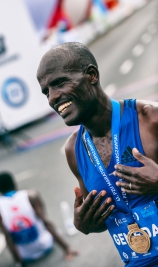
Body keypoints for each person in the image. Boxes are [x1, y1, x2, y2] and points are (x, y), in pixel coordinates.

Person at [36, 42, 158, 267]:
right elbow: (105, 215)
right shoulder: (74, 150)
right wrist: (85, 223)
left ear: (91, 75)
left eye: (59, 83)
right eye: (46, 92)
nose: (52, 98)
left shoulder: (150, 120)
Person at [0, 172, 78, 267]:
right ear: (14, 184)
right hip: (46, 246)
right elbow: (46, 223)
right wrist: (66, 248)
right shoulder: (31, 196)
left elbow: (7, 237)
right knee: (47, 224)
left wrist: (19, 263)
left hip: (25, 256)